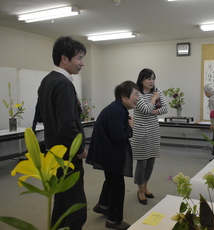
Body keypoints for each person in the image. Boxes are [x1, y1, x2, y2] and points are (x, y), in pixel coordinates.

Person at [37, 36, 88, 229]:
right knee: (76, 207)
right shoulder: (64, 84)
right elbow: (67, 125)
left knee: (60, 202)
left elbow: (43, 116)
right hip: (68, 157)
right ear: (64, 58)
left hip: (53, 153)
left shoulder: (46, 81)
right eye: (79, 58)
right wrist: (80, 148)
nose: (82, 63)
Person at [86, 81, 139, 230]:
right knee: (117, 186)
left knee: (110, 181)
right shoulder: (117, 111)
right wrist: (130, 128)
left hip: (107, 153)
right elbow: (118, 137)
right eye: (136, 94)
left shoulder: (116, 108)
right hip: (111, 155)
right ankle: (113, 220)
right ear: (124, 97)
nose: (138, 98)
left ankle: (103, 205)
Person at [131, 68, 168, 205]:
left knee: (151, 162)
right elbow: (145, 109)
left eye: (153, 78)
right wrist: (153, 100)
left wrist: (151, 110)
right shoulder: (137, 94)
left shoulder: (157, 92)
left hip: (153, 131)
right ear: (142, 80)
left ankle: (145, 187)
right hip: (140, 133)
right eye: (149, 78)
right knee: (142, 162)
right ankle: (139, 190)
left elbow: (164, 109)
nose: (152, 81)